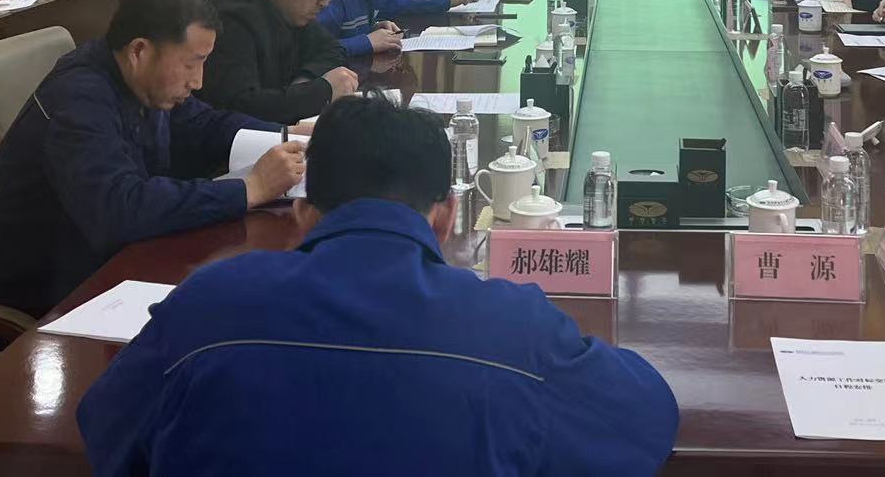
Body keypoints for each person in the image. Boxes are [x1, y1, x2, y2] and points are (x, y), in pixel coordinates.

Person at [77, 94, 679, 475]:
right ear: (446, 218)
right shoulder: (514, 329)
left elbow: (105, 428)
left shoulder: (207, 304)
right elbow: (645, 419)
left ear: (303, 215)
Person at [0, 0, 304, 318]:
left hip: (91, 273)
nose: (198, 81)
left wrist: (288, 136)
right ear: (139, 51)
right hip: (29, 308)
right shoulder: (80, 99)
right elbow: (120, 209)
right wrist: (249, 189)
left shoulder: (142, 79)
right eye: (190, 63)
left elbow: (204, 125)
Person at [199, 0, 360, 124]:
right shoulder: (230, 19)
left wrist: (304, 83)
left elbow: (333, 50)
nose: (325, 3)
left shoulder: (289, 7)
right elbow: (242, 107)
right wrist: (320, 91)